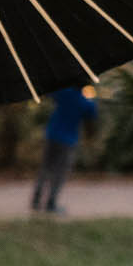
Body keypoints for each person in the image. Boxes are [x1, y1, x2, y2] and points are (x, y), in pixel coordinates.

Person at [33, 84, 98, 215]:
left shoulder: (63, 92)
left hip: (52, 134)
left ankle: (36, 199)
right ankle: (51, 203)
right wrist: (90, 139)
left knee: (46, 168)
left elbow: (46, 94)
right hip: (69, 140)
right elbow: (90, 126)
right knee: (60, 173)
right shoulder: (87, 103)